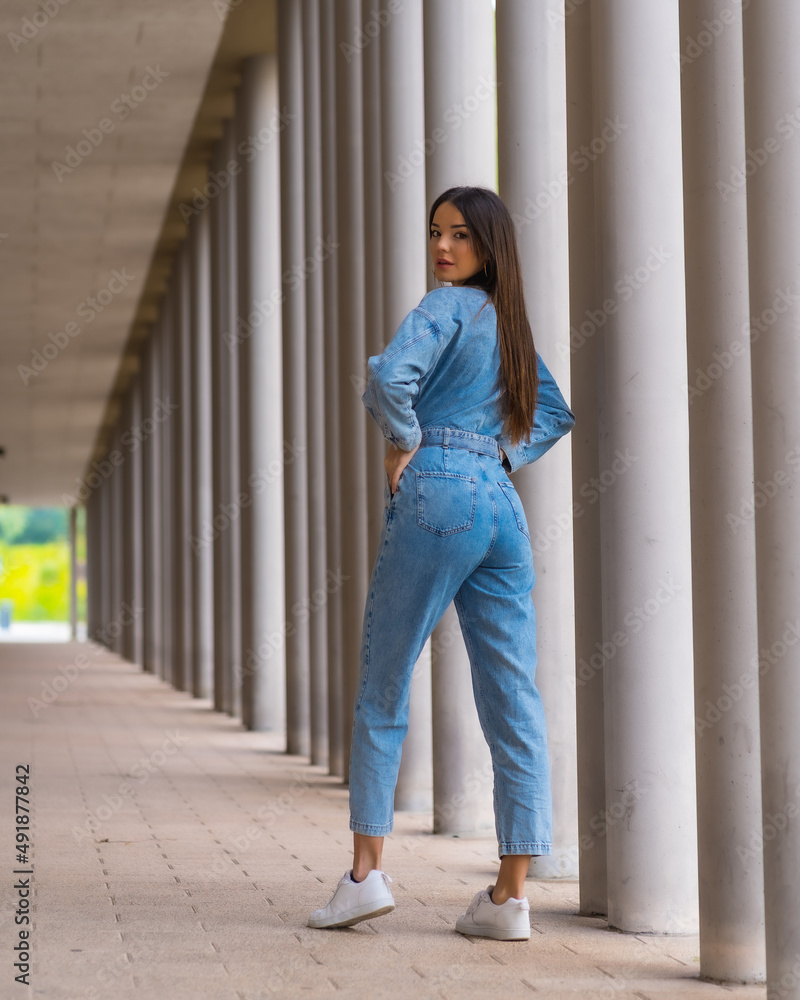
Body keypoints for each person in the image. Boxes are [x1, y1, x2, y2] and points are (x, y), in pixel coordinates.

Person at [308, 185, 575, 940]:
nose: (442, 247)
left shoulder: (444, 306)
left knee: (384, 681)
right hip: (500, 507)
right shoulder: (509, 325)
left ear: (490, 244)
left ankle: (364, 878)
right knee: (513, 695)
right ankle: (509, 898)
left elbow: (390, 377)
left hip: (438, 492)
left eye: (459, 234)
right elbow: (554, 412)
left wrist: (404, 441)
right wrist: (497, 455)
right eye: (435, 232)